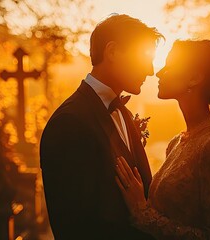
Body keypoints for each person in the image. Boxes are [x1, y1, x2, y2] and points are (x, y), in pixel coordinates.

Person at [40, 14, 164, 239]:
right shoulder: (69, 123)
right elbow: (73, 224)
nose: (150, 70)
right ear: (113, 52)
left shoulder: (122, 113)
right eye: (144, 57)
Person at [115, 39, 210, 239]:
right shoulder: (177, 142)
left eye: (170, 66)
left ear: (194, 78)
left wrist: (142, 212)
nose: (159, 72)